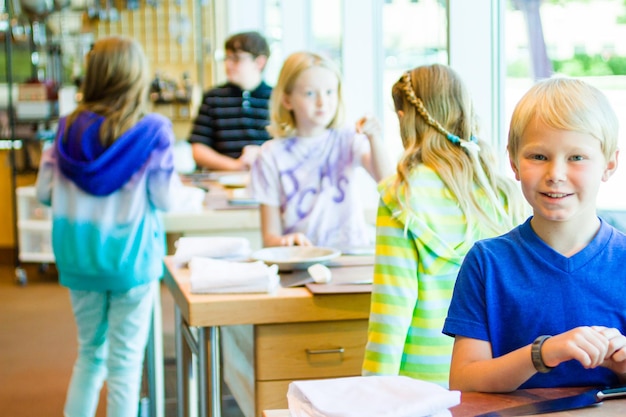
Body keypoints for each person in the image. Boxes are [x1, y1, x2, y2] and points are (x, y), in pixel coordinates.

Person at [443, 77, 626, 392]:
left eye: (576, 158)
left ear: (609, 164)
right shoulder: (487, 263)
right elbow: (463, 381)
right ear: (513, 162)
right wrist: (542, 353)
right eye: (538, 157)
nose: (555, 174)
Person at [35, 36, 181, 417]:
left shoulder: (65, 129)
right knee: (125, 365)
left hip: (79, 260)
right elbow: (166, 199)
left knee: (89, 356)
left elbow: (44, 192)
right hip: (131, 263)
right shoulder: (154, 132)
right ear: (137, 76)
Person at [361, 64, 527, 387]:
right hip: (491, 376)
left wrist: (371, 391)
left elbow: (392, 306)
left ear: (403, 118)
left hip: (420, 386)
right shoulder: (502, 192)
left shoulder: (401, 196)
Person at [249, 51, 393, 250]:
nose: (322, 102)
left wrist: (374, 137)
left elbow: (388, 181)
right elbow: (270, 237)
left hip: (351, 256)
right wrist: (285, 242)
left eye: (329, 92)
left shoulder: (348, 139)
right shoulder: (270, 155)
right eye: (310, 93)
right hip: (303, 261)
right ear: (287, 100)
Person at [188, 31, 272, 171]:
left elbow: (288, 144)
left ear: (259, 62)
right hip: (223, 181)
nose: (228, 64)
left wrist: (260, 155)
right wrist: (235, 166)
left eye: (236, 58)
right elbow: (198, 148)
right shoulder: (213, 97)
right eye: (226, 58)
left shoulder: (277, 98)